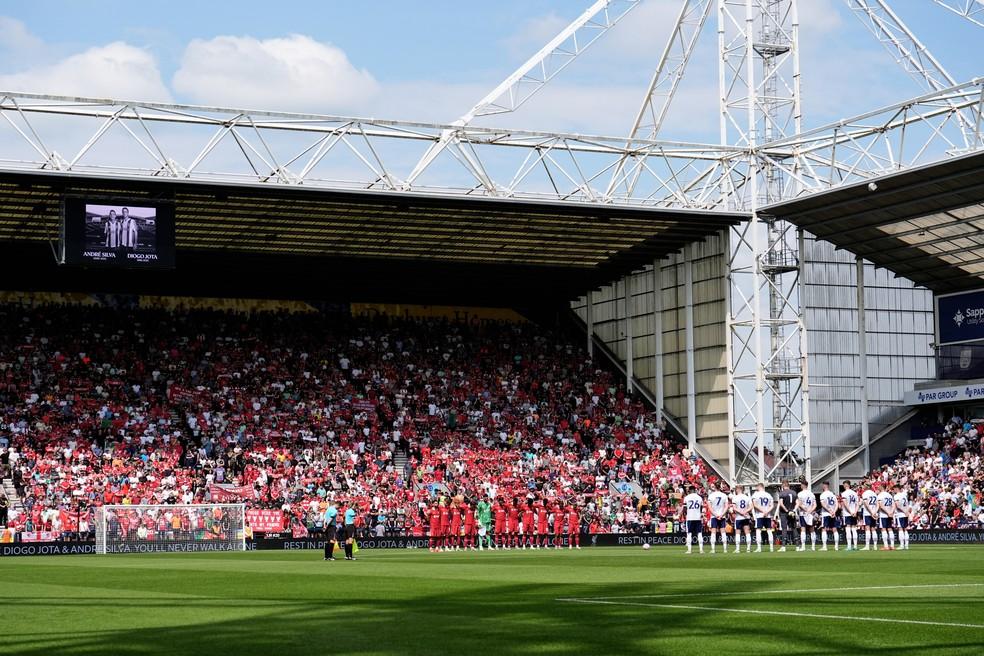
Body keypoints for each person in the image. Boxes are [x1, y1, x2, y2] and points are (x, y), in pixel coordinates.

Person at [751, 483, 775, 553]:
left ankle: (759, 548)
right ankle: (771, 547)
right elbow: (772, 505)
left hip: (759, 515)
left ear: (759, 487)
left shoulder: (756, 494)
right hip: (767, 515)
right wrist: (766, 511)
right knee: (769, 531)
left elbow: (755, 505)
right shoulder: (769, 495)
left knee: (758, 530)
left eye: (757, 487)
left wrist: (763, 511)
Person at [680, 486, 704, 555]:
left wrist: (686, 515)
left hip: (690, 517)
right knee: (699, 533)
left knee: (689, 533)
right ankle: (701, 550)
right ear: (695, 490)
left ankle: (689, 550)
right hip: (697, 517)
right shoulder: (699, 498)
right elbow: (701, 508)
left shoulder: (687, 497)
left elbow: (684, 509)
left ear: (690, 490)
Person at [707, 481, 730, 554]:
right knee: (723, 532)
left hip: (714, 516)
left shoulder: (711, 495)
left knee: (713, 532)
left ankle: (713, 549)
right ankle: (725, 549)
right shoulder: (724, 495)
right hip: (722, 516)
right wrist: (722, 514)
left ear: (715, 487)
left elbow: (710, 507)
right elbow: (726, 506)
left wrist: (716, 515)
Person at [730, 485, 753, 554]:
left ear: (737, 489)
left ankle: (737, 549)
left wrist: (741, 512)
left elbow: (734, 508)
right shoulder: (747, 497)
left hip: (739, 517)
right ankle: (748, 548)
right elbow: (751, 506)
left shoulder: (735, 498)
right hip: (746, 517)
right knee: (747, 532)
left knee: (737, 533)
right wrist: (745, 512)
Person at [818, 481, 840, 551]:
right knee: (834, 529)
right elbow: (837, 504)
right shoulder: (833, 494)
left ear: (824, 485)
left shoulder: (823, 495)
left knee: (824, 529)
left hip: (826, 514)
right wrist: (834, 511)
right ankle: (836, 546)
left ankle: (824, 546)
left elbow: (823, 504)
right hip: (833, 513)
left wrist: (829, 511)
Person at [795, 482, 817, 551]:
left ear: (802, 485)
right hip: (810, 513)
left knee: (803, 529)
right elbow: (815, 505)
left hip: (803, 513)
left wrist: (806, 510)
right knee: (812, 530)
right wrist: (810, 511)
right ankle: (813, 547)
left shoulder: (800, 494)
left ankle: (803, 546)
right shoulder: (812, 494)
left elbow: (799, 504)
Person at [840, 480, 861, 551]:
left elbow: (845, 504)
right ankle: (855, 546)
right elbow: (858, 504)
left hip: (847, 513)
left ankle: (849, 546)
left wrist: (850, 512)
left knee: (848, 529)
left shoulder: (844, 493)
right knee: (854, 529)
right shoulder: (855, 493)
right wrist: (855, 512)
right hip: (854, 512)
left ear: (846, 485)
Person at [776, 480, 796, 552]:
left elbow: (781, 503)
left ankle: (783, 546)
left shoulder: (782, 493)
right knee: (794, 528)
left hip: (784, 513)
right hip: (792, 511)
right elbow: (797, 503)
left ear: (783, 485)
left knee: (784, 528)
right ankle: (798, 546)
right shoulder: (794, 492)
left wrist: (786, 510)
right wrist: (793, 510)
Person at [876, 484, 896, 551]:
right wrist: (891, 512)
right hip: (890, 514)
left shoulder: (880, 495)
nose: (878, 487)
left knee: (883, 529)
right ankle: (892, 546)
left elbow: (881, 506)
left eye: (879, 486)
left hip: (883, 515)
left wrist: (887, 512)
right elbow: (894, 505)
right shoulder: (889, 495)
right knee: (890, 529)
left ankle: (886, 546)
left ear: (881, 487)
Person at [892, 484, 911, 550]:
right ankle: (906, 545)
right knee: (905, 529)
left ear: (897, 488)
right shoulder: (904, 495)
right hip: (905, 514)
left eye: (894, 489)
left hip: (900, 514)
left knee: (900, 529)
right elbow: (907, 505)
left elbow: (898, 505)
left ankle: (902, 545)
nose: (893, 490)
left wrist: (904, 511)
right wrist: (907, 512)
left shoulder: (896, 496)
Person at [860, 484, 879, 551]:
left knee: (867, 528)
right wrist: (874, 512)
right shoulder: (874, 494)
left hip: (868, 513)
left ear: (866, 487)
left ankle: (867, 546)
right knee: (873, 529)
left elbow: (866, 503)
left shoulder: (865, 493)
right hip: (874, 512)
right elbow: (877, 504)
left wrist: (871, 512)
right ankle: (875, 546)